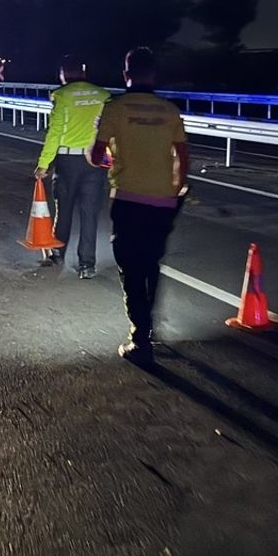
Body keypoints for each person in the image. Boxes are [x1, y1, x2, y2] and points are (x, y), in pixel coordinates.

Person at [88, 47, 189, 362]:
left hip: (129, 199)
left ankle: (140, 338)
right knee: (150, 264)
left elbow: (95, 156)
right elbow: (183, 159)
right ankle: (148, 328)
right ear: (154, 74)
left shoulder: (115, 109)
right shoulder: (169, 111)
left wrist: (108, 157)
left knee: (130, 268)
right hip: (163, 200)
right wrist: (175, 190)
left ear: (125, 74)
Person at [36, 56, 111, 278]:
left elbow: (55, 133)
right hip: (96, 161)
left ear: (63, 74)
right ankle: (87, 265)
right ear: (84, 72)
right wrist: (108, 164)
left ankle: (57, 254)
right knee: (90, 214)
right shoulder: (103, 95)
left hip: (68, 161)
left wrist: (43, 164)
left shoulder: (61, 95)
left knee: (64, 210)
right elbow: (108, 133)